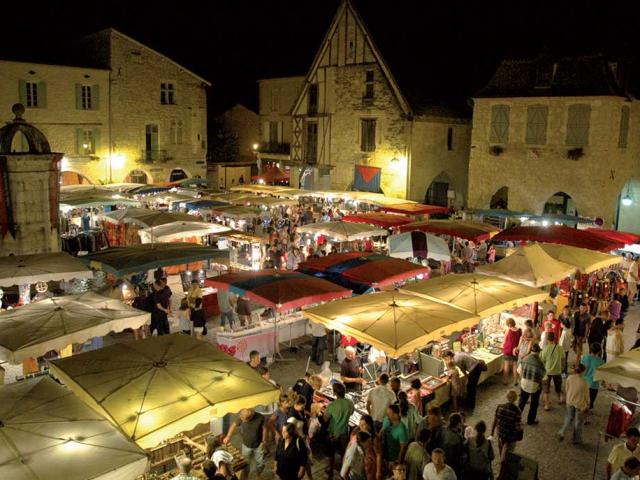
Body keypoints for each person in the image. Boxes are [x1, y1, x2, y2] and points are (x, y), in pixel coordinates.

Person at [222, 409, 267, 478]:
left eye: (244, 420)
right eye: (241, 419)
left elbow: (264, 429)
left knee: (261, 463)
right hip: (246, 445)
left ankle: (258, 475)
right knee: (245, 463)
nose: (242, 421)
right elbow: (233, 425)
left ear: (250, 417)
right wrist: (228, 436)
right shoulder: (243, 416)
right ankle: (245, 476)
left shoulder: (260, 417)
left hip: (258, 445)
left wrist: (264, 441)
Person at [324, 382, 355, 478]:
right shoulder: (350, 403)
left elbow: (325, 419)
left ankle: (331, 470)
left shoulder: (332, 405)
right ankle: (343, 471)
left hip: (333, 433)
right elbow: (351, 412)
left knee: (331, 453)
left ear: (334, 393)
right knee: (343, 453)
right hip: (344, 432)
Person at [491, 390, 522, 480]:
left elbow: (495, 420)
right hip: (510, 437)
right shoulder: (517, 411)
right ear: (515, 399)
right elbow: (517, 426)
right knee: (506, 456)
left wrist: (492, 432)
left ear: (507, 397)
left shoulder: (500, 407)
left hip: (500, 434)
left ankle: (503, 468)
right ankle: (501, 474)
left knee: (501, 451)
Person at [557, 364, 589, 444]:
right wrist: (587, 404)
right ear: (582, 371)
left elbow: (567, 389)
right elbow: (586, 396)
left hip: (569, 401)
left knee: (569, 417)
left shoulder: (569, 378)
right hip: (579, 404)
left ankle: (562, 431)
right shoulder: (584, 382)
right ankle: (576, 439)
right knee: (578, 422)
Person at [517, 343, 545, 425]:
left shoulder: (525, 359)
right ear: (538, 352)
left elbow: (519, 371)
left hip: (524, 384)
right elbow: (543, 377)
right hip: (535, 386)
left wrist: (523, 378)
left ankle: (517, 419)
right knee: (534, 404)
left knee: (521, 402)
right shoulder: (540, 363)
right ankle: (530, 421)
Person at [540, 332, 565, 411]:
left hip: (547, 372)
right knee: (558, 386)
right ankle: (560, 399)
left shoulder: (545, 348)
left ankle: (547, 405)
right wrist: (562, 367)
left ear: (547, 339)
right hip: (557, 371)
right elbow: (563, 359)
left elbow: (542, 360)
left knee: (546, 389)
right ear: (554, 338)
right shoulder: (560, 348)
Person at [581, 342, 605, 415]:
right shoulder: (601, 362)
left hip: (583, 382)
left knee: (583, 400)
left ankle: (580, 414)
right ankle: (586, 417)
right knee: (590, 401)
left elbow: (581, 369)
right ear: (599, 351)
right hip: (594, 385)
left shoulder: (584, 357)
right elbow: (601, 375)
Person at [502, 318, 522, 386]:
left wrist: (502, 345)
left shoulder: (508, 330)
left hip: (508, 349)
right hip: (515, 350)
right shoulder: (519, 330)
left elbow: (504, 341)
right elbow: (520, 340)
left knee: (506, 365)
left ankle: (505, 381)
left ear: (508, 324)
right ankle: (515, 381)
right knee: (515, 365)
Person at [558, 305, 573, 374]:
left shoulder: (570, 318)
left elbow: (571, 328)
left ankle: (564, 371)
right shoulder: (560, 316)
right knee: (560, 355)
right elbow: (558, 327)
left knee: (565, 355)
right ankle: (560, 369)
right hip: (560, 336)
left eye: (567, 310)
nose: (566, 312)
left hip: (566, 336)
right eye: (564, 310)